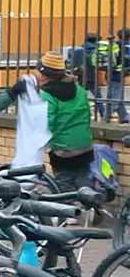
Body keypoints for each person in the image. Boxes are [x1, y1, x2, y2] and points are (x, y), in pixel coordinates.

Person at [9, 51, 94, 192]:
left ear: (44, 74)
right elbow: (86, 115)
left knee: (64, 186)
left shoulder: (47, 94)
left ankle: (71, 211)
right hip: (85, 146)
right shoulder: (79, 90)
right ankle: (91, 205)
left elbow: (47, 124)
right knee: (83, 180)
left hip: (62, 150)